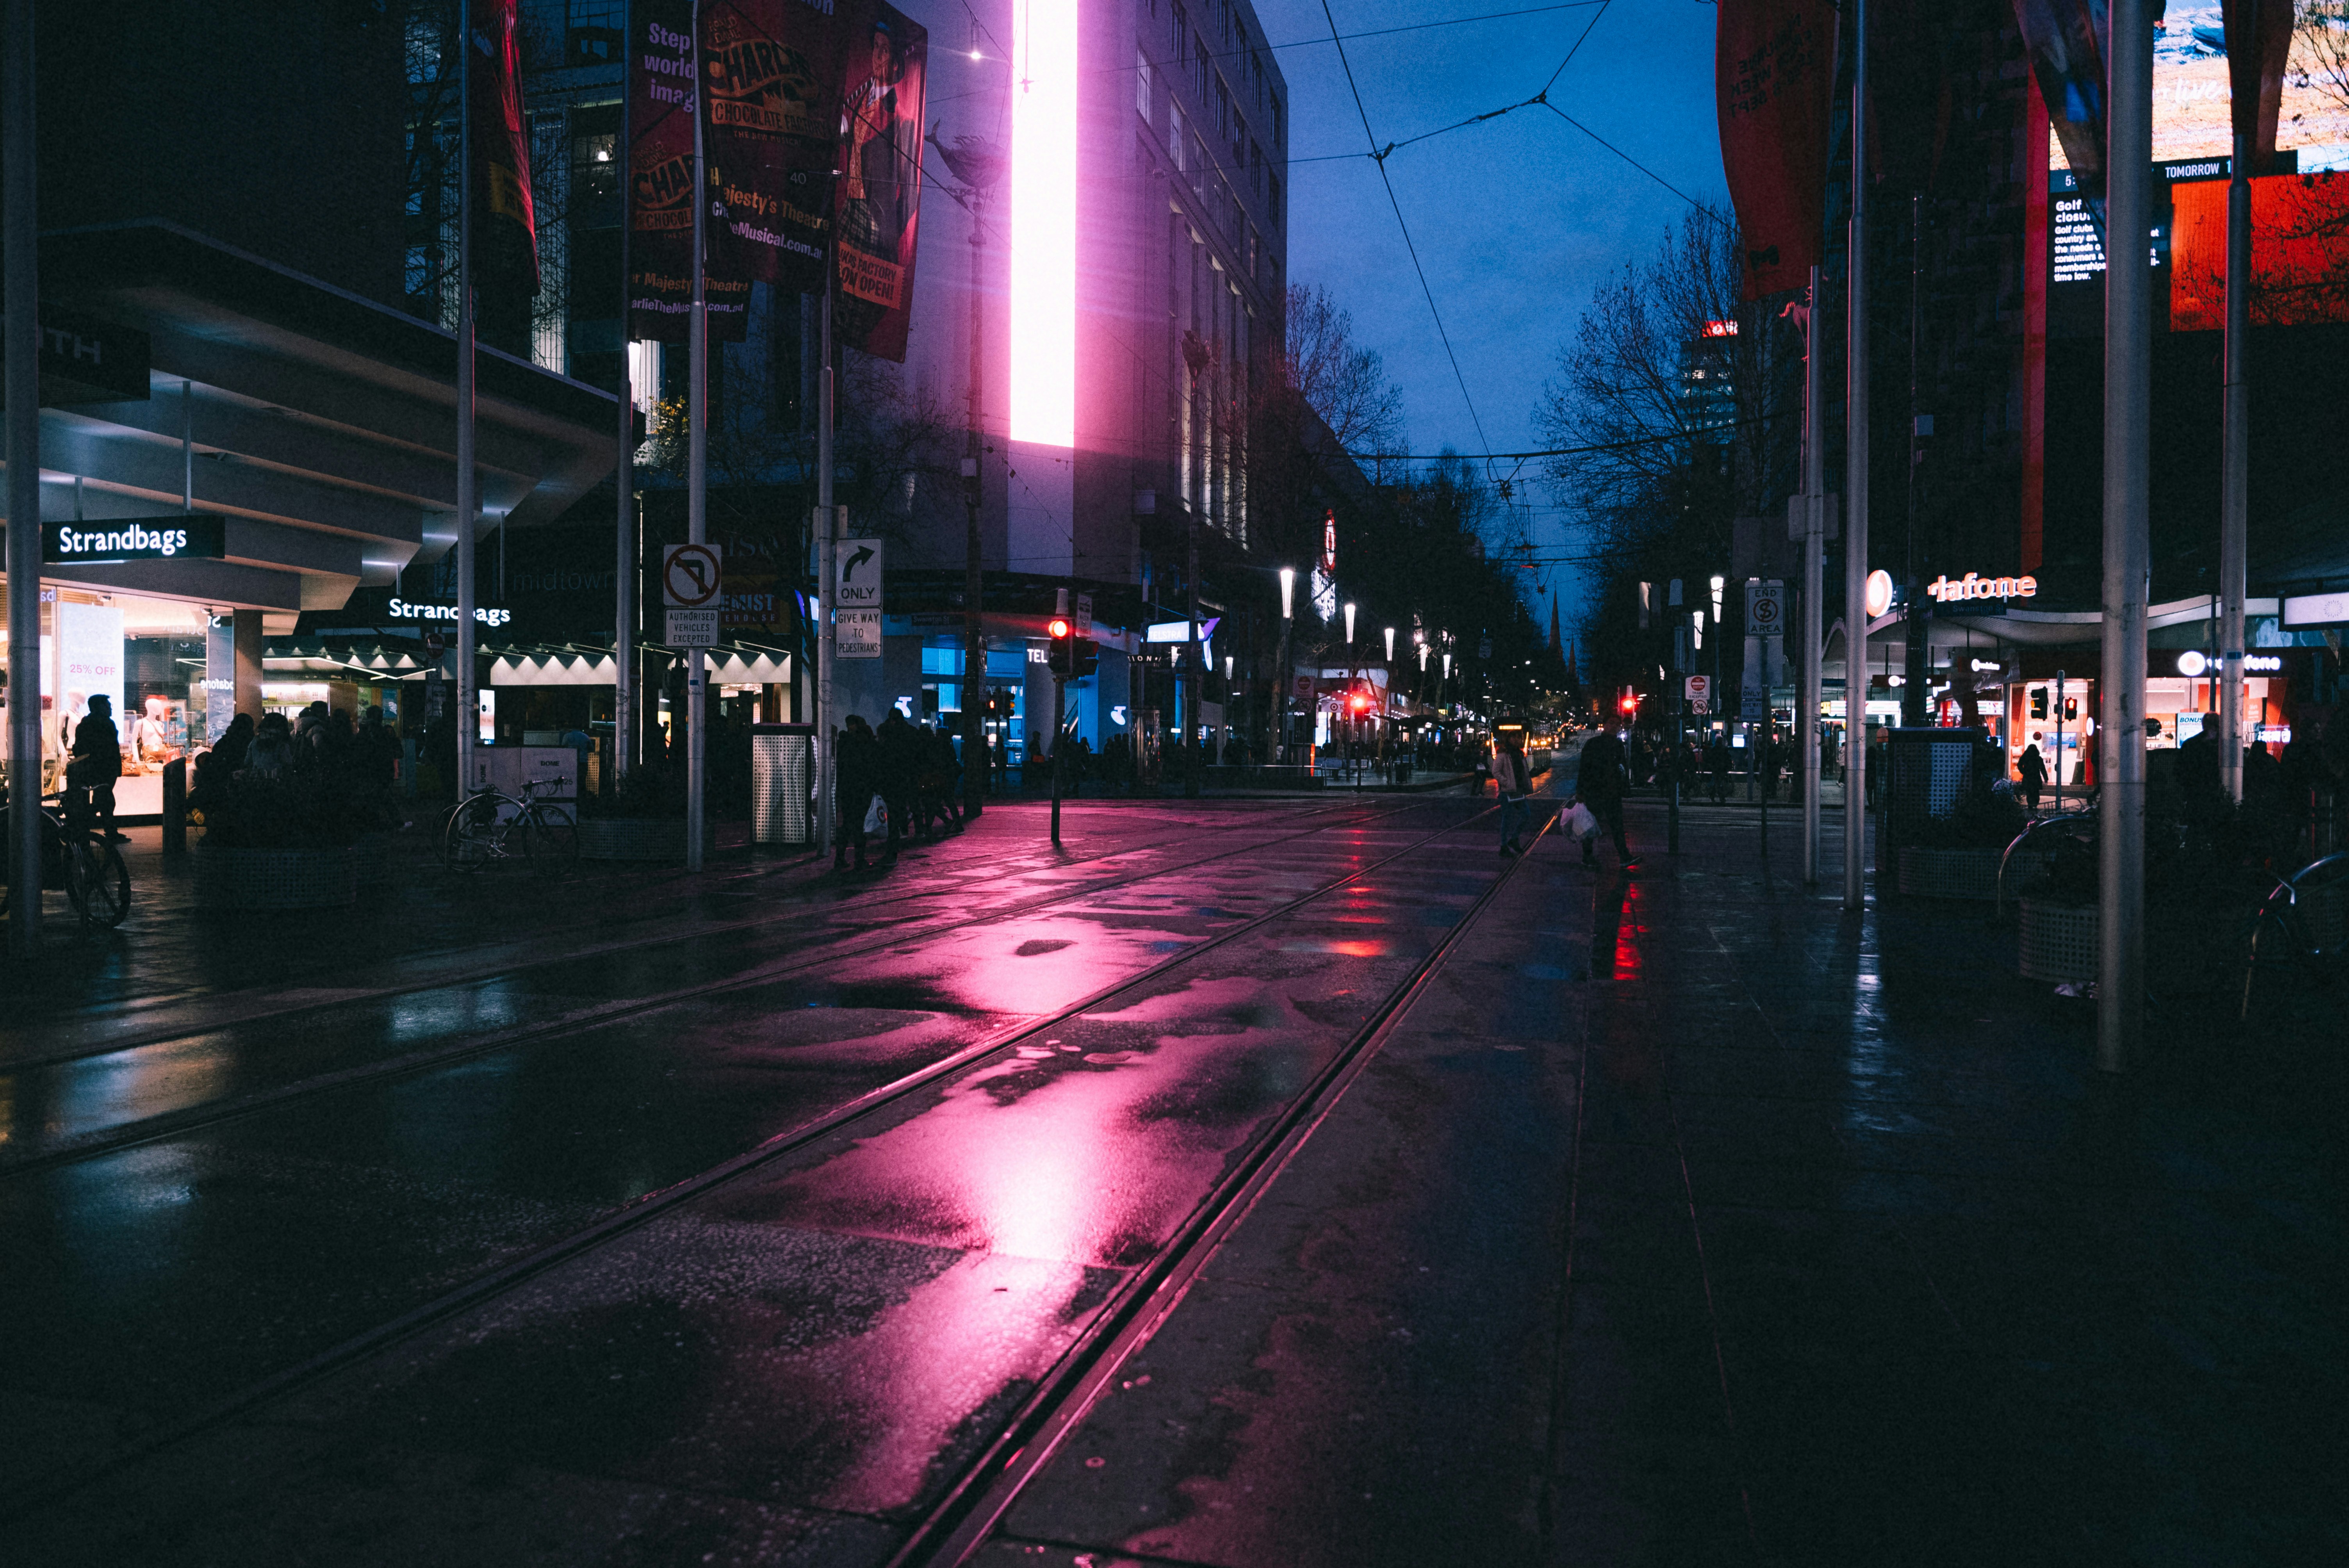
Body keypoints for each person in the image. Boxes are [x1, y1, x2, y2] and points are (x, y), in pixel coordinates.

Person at [1574, 726, 1636, 869]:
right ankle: (1588, 856)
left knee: (1617, 826)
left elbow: (1622, 767)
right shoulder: (1593, 743)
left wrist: (1625, 788)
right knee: (1590, 825)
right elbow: (1584, 767)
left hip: (1612, 793)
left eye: (1617, 724)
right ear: (1605, 725)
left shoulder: (1619, 745)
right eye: (1611, 723)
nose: (1614, 727)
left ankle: (1624, 856)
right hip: (1595, 792)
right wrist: (1581, 790)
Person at [69, 693, 127, 841]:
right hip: (104, 770)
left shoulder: (86, 723)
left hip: (94, 769)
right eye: (108, 705)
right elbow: (109, 749)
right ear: (100, 707)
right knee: (105, 801)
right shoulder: (106, 723)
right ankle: (84, 826)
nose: (110, 708)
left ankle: (84, 827)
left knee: (104, 800)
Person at [833, 714, 880, 870]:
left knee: (848, 824)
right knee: (859, 825)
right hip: (861, 790)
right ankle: (859, 860)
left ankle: (840, 858)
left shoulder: (844, 744)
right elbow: (872, 767)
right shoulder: (867, 744)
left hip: (848, 789)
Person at [876, 709, 923, 855]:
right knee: (914, 802)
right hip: (912, 771)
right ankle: (919, 830)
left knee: (899, 804)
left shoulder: (893, 733)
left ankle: (903, 830)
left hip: (899, 773)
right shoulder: (912, 731)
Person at [1494, 731, 1533, 856]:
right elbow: (1496, 771)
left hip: (1519, 791)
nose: (1517, 740)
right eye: (1514, 737)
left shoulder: (1521, 754)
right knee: (1507, 818)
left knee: (1526, 815)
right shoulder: (1503, 754)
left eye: (1519, 738)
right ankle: (1503, 846)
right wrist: (1506, 782)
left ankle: (1514, 839)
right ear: (1509, 739)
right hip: (1507, 792)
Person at [2016, 739, 2048, 814]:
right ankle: (2035, 804)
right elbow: (2043, 769)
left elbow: (2019, 765)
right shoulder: (2038, 758)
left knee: (2029, 791)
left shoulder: (2025, 757)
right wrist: (2046, 778)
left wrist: (2023, 771)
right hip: (2036, 777)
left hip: (2028, 777)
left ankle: (2030, 804)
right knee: (2036, 791)